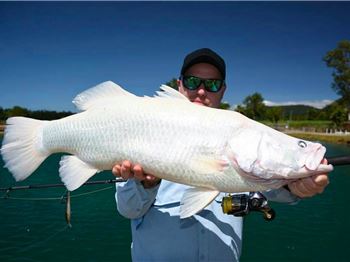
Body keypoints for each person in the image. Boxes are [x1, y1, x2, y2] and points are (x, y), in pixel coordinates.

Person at [113, 48, 330, 261]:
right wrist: (146, 184)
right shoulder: (144, 131)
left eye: (212, 84)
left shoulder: (241, 136)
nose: (200, 91)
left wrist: (296, 185)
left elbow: (277, 189)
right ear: (179, 85)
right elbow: (129, 210)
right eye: (191, 82)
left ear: (223, 90)